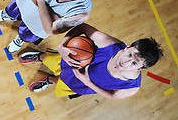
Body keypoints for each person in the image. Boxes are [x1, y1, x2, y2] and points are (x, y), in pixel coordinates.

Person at [18, 23, 164, 100]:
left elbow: (113, 96)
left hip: (84, 84)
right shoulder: (108, 43)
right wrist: (62, 45)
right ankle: (39, 57)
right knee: (51, 59)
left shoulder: (132, 87)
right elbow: (82, 26)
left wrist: (87, 82)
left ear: (140, 69)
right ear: (128, 47)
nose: (125, 62)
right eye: (130, 54)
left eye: (134, 63)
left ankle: (49, 80)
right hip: (73, 61)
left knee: (63, 83)